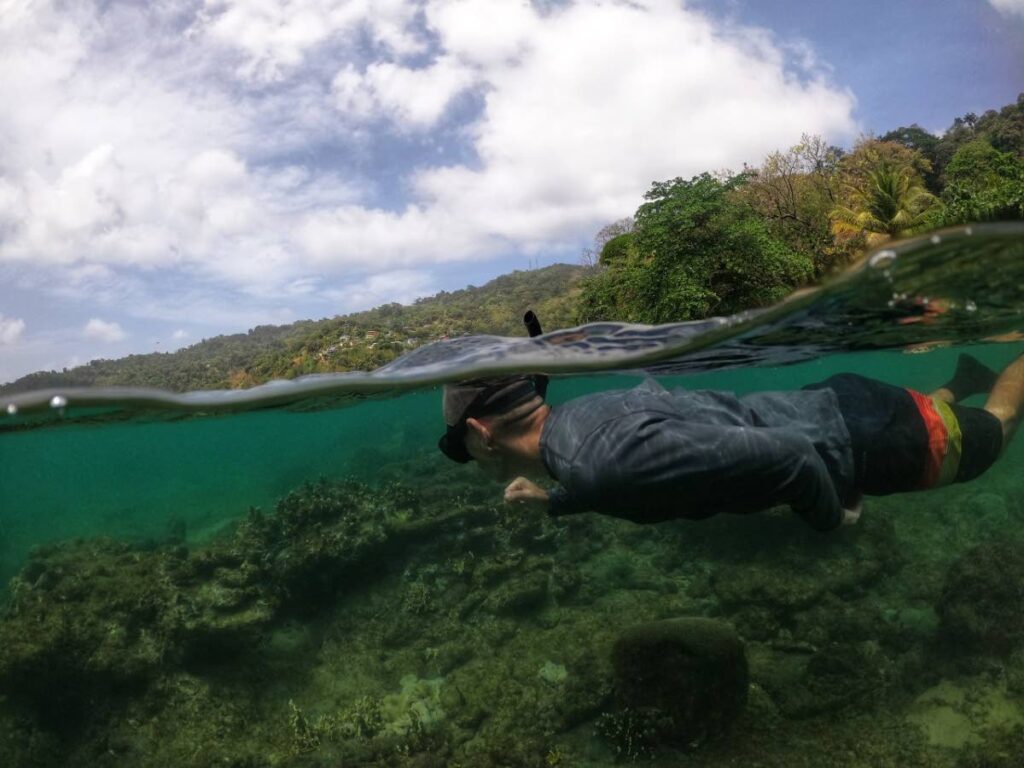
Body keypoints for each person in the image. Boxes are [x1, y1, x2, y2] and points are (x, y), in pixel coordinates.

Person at [437, 353, 1023, 531]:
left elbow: (791, 456)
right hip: (836, 404)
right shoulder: (579, 419)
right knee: (925, 412)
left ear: (481, 435)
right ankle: (959, 382)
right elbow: (630, 462)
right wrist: (556, 500)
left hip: (863, 444)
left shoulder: (598, 463)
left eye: (459, 450)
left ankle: (984, 392)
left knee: (999, 422)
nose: (467, 462)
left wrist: (833, 518)